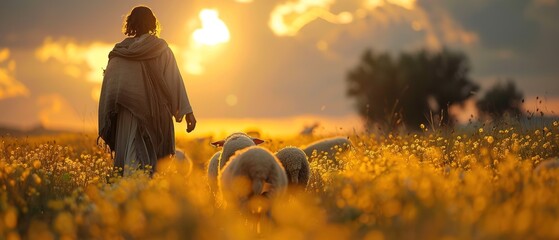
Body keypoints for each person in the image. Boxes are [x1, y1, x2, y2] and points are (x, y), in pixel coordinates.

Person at [98, 5, 196, 176]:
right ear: (153, 24)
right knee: (152, 166)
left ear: (131, 24)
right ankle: (146, 198)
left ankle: (130, 197)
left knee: (128, 164)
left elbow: (109, 90)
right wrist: (187, 112)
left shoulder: (119, 54)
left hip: (126, 119)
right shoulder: (160, 50)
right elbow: (175, 81)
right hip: (154, 116)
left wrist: (110, 117)